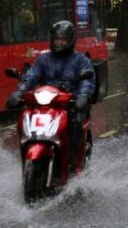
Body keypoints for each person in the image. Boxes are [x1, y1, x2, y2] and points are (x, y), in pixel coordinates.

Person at [7, 21, 96, 164]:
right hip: (46, 105)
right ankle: (26, 151)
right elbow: (32, 75)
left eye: (63, 40)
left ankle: (73, 161)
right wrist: (19, 91)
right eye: (57, 39)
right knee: (25, 116)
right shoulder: (43, 59)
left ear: (71, 40)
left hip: (69, 106)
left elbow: (87, 80)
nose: (59, 43)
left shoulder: (81, 60)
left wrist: (84, 96)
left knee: (74, 126)